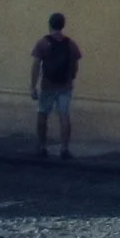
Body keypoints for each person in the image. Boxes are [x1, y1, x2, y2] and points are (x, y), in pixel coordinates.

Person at [31, 13, 82, 160]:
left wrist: (33, 86)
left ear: (50, 24)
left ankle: (42, 147)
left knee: (42, 114)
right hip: (65, 85)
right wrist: (71, 78)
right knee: (64, 115)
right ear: (63, 25)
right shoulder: (71, 44)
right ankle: (64, 149)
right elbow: (75, 65)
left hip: (47, 85)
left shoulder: (42, 43)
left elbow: (35, 66)